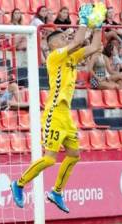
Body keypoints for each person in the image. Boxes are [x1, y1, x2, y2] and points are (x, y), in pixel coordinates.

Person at [10, 4, 104, 213]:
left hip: (66, 115)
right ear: (54, 45)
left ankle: (57, 192)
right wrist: (83, 21)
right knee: (50, 158)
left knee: (74, 154)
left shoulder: (71, 58)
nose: (67, 40)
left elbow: (94, 47)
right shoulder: (54, 57)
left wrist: (97, 25)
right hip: (54, 112)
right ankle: (19, 184)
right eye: (63, 38)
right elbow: (79, 40)